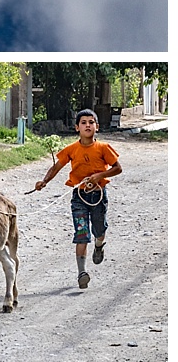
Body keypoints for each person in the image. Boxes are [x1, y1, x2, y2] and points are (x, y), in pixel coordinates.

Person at [33, 109, 122, 289]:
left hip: (98, 195)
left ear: (97, 127)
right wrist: (44, 181)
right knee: (81, 234)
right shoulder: (72, 149)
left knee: (99, 229)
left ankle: (99, 245)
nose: (87, 125)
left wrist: (99, 176)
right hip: (79, 196)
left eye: (91, 122)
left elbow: (118, 168)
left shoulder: (103, 148)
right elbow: (57, 166)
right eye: (83, 122)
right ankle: (82, 272)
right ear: (77, 127)